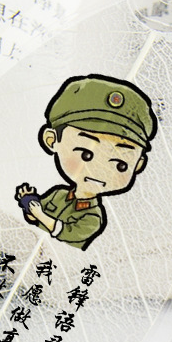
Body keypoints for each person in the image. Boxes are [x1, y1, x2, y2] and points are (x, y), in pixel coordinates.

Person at [15, 74, 157, 250]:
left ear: (138, 164)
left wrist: (39, 214)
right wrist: (28, 201)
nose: (99, 170)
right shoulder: (58, 194)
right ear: (51, 140)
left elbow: (65, 233)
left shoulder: (93, 217)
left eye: (120, 164)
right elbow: (32, 218)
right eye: (86, 154)